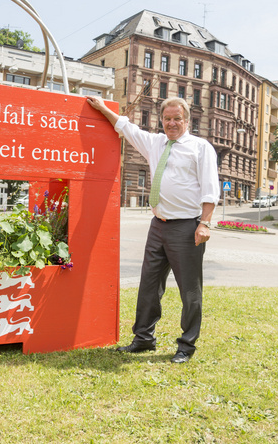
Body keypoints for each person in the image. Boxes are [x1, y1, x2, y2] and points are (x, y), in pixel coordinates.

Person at [85, 95, 220, 364]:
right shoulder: (156, 143)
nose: (172, 123)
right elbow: (126, 127)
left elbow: (210, 188)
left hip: (187, 228)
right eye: (167, 118)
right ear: (162, 120)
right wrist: (101, 108)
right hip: (158, 226)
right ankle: (144, 338)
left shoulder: (200, 147)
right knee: (148, 285)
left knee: (190, 291)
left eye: (177, 118)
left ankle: (186, 345)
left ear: (187, 119)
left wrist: (204, 223)